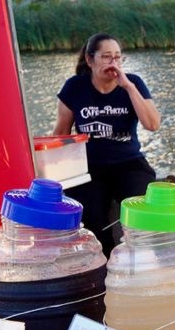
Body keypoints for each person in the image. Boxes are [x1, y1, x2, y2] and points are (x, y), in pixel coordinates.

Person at [54, 33, 160, 254]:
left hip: (129, 163)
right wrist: (56, 173)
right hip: (89, 167)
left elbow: (152, 124)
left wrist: (128, 87)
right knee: (90, 218)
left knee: (143, 210)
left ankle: (139, 259)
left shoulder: (133, 83)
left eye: (118, 57)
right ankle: (104, 264)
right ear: (90, 59)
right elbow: (61, 133)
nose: (113, 63)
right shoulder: (75, 87)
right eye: (106, 57)